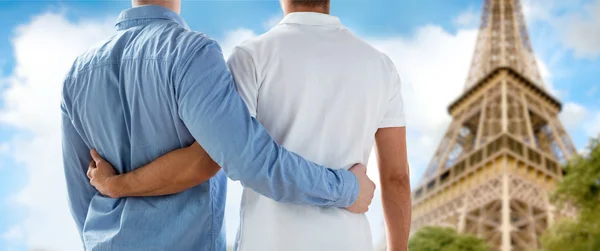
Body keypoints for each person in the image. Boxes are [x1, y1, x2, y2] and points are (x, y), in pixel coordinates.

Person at [88, 0, 411, 250]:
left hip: (269, 239)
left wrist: (119, 184)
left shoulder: (251, 55)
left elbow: (213, 155)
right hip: (349, 240)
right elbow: (396, 178)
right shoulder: (380, 65)